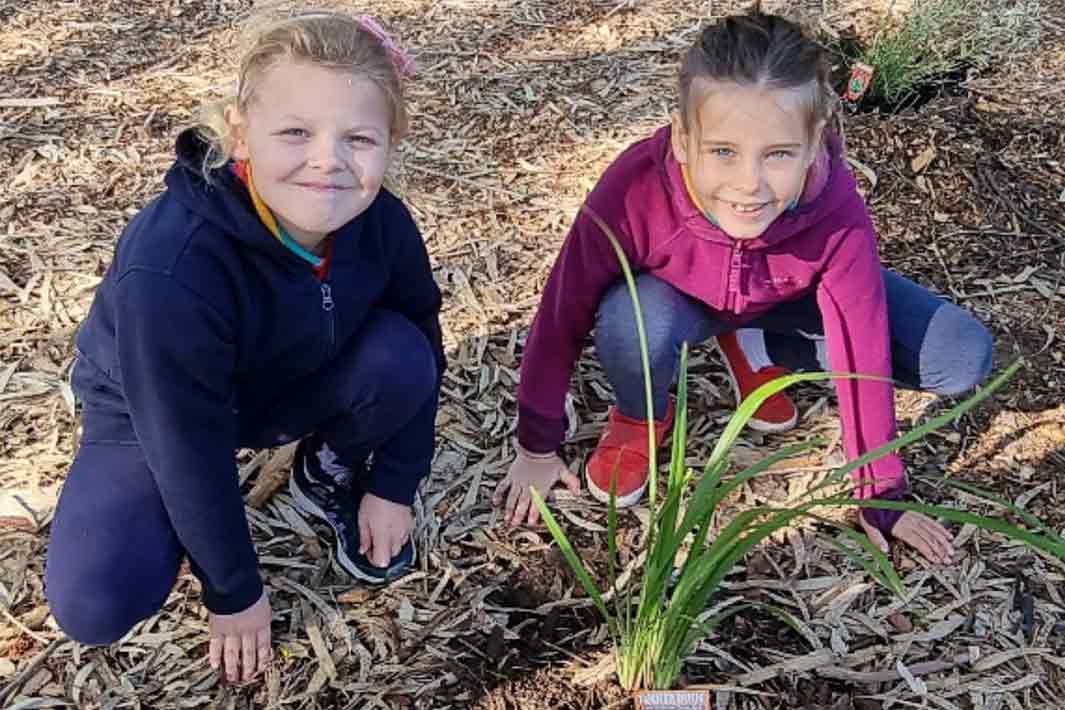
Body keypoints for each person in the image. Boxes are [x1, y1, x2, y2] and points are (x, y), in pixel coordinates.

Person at [494, 6, 992, 565]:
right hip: (680, 300)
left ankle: (757, 345)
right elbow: (562, 312)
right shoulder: (633, 189)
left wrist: (877, 491)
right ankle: (641, 414)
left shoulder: (836, 210)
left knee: (961, 356)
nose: (749, 184)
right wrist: (536, 444)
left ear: (813, 144)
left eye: (778, 154)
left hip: (783, 297)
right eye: (723, 152)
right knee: (632, 322)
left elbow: (863, 344)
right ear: (683, 141)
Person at [45, 11, 443, 684]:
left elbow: (426, 345)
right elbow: (184, 437)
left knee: (400, 355)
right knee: (95, 602)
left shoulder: (381, 223)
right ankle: (167, 523)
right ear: (238, 132)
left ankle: (327, 469)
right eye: (295, 132)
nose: (328, 160)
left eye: (359, 138)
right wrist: (233, 590)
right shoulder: (174, 264)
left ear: (391, 143)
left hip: (286, 380)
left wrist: (394, 484)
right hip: (152, 412)